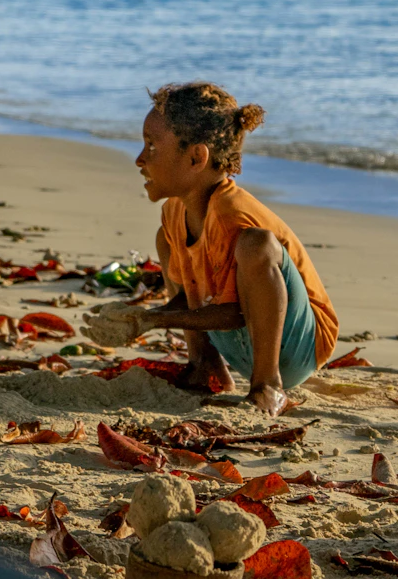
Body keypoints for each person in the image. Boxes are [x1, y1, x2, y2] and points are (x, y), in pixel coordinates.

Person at [81, 82, 339, 417]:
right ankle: (205, 365)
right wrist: (137, 318)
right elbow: (196, 297)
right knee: (165, 238)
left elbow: (234, 313)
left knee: (255, 244)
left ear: (196, 157)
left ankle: (268, 384)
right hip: (240, 344)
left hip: (297, 344)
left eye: (152, 146)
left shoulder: (232, 214)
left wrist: (152, 319)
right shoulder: (175, 212)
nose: (140, 159)